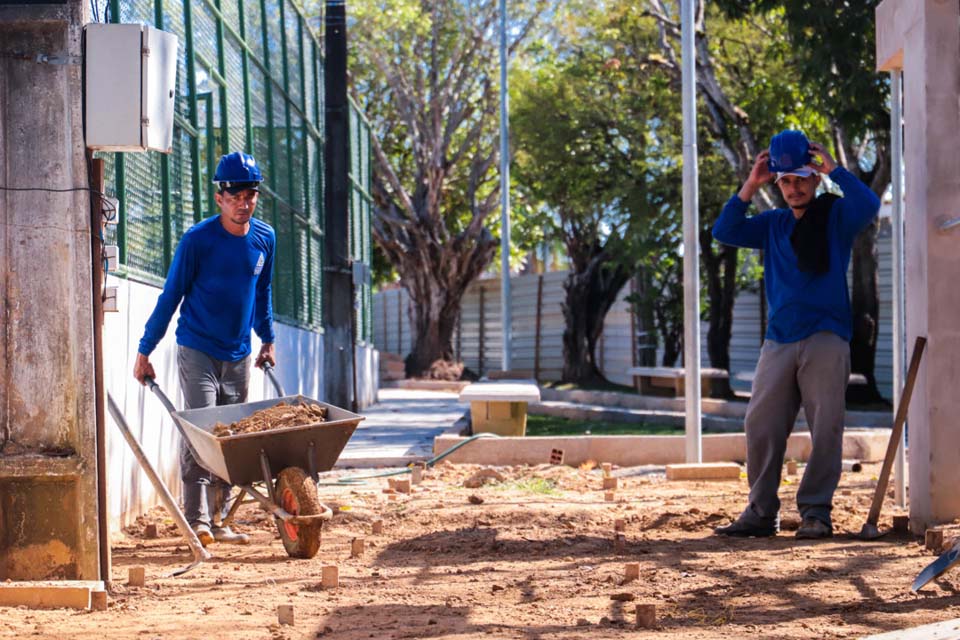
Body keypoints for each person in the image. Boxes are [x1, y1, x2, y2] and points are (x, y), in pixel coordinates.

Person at [711, 129, 880, 539]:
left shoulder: (835, 216)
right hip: (779, 339)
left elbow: (869, 204)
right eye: (785, 180)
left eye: (801, 178)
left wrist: (835, 168)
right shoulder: (772, 225)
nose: (793, 187)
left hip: (827, 336)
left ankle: (816, 513)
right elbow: (725, 231)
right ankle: (760, 511)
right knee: (761, 423)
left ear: (815, 178)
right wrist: (751, 184)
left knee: (826, 427)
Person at [133, 151, 277, 546]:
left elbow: (261, 294)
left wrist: (268, 340)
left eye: (250, 195)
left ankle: (220, 520)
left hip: (240, 353)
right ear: (220, 198)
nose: (243, 204)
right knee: (201, 428)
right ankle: (197, 520)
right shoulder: (198, 240)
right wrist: (146, 350)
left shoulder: (265, 238)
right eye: (235, 196)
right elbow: (170, 296)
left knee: (230, 436)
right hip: (196, 348)